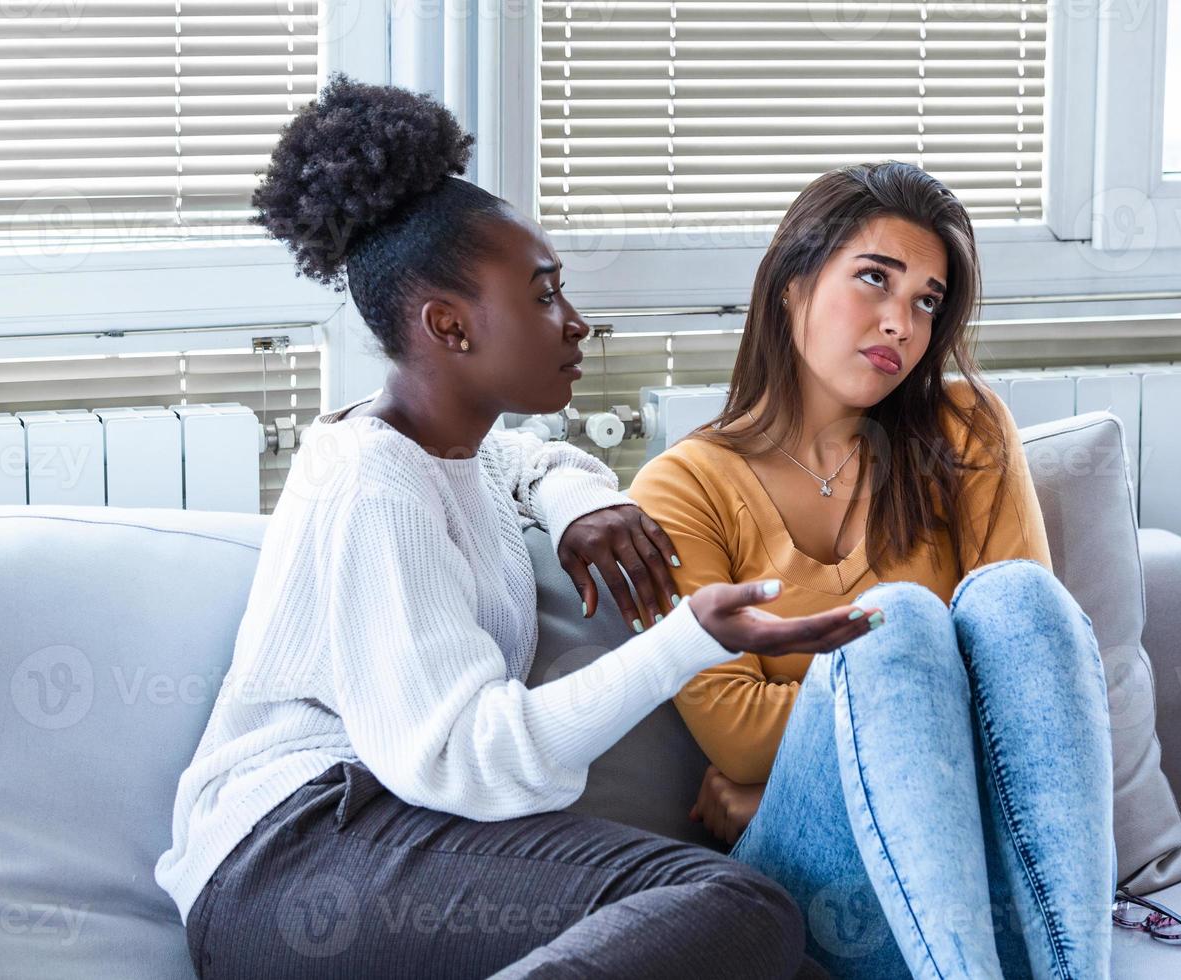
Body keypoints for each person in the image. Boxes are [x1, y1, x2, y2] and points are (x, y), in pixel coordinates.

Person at [154, 74, 884, 979]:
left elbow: (537, 461)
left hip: (372, 844)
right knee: (731, 906)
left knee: (793, 965)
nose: (577, 325)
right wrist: (686, 642)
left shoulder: (450, 448)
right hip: (292, 860)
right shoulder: (373, 489)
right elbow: (469, 758)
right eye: (543, 297)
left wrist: (586, 504)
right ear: (449, 327)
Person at [627, 161, 1118, 979]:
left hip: (977, 861)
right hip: (821, 879)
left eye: (927, 301)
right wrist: (887, 702)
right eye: (873, 280)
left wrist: (873, 720)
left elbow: (1027, 676)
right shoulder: (681, 487)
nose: (902, 323)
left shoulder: (964, 429)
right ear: (792, 285)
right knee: (897, 625)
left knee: (1019, 596)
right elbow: (736, 737)